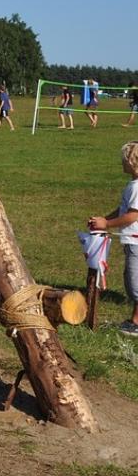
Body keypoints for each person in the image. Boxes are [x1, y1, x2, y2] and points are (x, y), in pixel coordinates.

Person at [87, 142, 138, 337]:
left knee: (135, 283)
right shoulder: (132, 184)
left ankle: (136, 323)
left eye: (124, 159)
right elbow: (123, 211)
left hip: (136, 242)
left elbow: (133, 215)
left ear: (132, 162)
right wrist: (104, 220)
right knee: (131, 279)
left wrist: (107, 225)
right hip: (131, 241)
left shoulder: (137, 187)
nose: (121, 163)